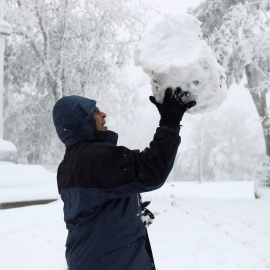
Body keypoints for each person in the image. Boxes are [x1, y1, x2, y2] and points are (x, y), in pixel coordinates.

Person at [52, 87, 196, 270]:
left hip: (91, 258)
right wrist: (170, 123)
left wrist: (128, 207)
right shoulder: (95, 156)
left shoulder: (68, 164)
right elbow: (151, 171)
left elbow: (93, 205)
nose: (103, 114)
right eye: (95, 112)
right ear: (81, 122)